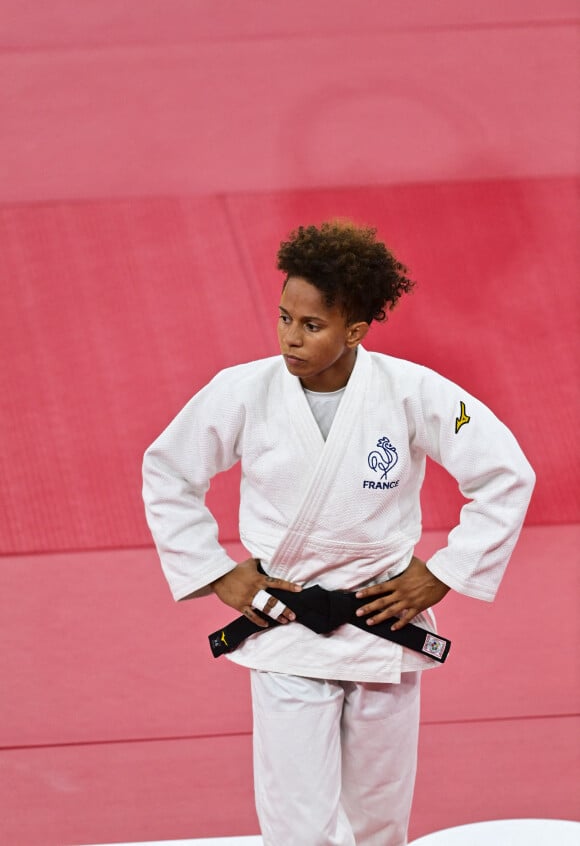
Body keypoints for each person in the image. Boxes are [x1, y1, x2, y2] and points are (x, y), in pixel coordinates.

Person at [142, 220, 535, 846]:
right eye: (284, 318)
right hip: (286, 624)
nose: (290, 338)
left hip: (382, 623)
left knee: (380, 818)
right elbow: (167, 471)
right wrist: (218, 572)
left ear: (355, 330)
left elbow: (506, 473)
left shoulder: (413, 392)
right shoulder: (242, 392)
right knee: (296, 823)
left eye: (312, 325)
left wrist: (444, 572)